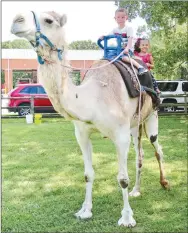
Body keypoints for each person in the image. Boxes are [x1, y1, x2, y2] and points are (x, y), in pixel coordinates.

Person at [100, 8, 148, 76]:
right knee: (107, 56)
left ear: (126, 18)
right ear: (115, 18)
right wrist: (103, 37)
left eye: (123, 17)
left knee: (123, 57)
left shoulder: (128, 28)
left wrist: (127, 48)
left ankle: (140, 67)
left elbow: (130, 40)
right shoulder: (115, 30)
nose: (120, 19)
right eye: (118, 17)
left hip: (127, 49)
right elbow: (108, 36)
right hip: (119, 49)